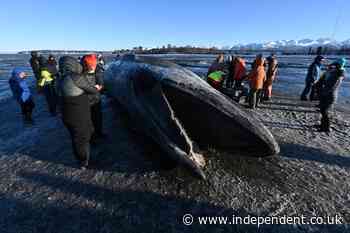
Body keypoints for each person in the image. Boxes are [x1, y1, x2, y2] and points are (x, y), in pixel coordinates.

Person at [58, 56, 101, 169]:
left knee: (79, 136)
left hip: (68, 113)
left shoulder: (60, 78)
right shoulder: (75, 77)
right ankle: (84, 162)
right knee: (80, 139)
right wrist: (96, 87)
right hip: (78, 115)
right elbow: (92, 90)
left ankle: (85, 156)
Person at [317, 58, 346, 133]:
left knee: (325, 111)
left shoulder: (339, 74)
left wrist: (324, 92)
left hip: (330, 95)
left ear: (339, 65)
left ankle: (326, 127)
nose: (334, 66)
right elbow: (323, 80)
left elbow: (332, 86)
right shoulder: (333, 72)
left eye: (336, 64)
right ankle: (322, 125)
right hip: (326, 93)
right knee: (322, 110)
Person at [81, 54, 105, 142]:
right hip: (86, 100)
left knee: (98, 117)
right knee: (89, 121)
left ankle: (99, 132)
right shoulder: (80, 73)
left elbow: (101, 82)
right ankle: (92, 137)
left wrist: (101, 86)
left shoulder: (97, 70)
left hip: (96, 98)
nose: (93, 67)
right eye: (91, 65)